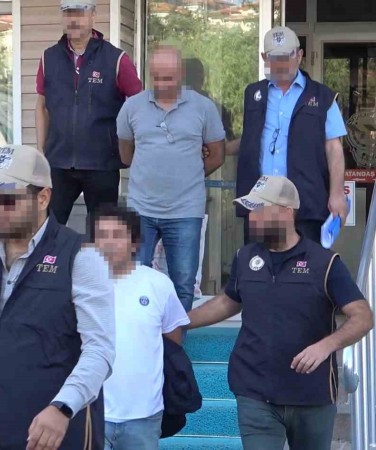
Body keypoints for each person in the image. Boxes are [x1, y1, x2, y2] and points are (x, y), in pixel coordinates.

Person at [187, 175, 374, 450]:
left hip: (312, 396)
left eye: (259, 210)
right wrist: (182, 322)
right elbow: (228, 301)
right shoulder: (244, 257)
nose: (252, 218)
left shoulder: (325, 263)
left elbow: (363, 316)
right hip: (255, 392)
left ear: (286, 212)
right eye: (251, 211)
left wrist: (326, 346)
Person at [0, 145, 115, 450]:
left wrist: (63, 407)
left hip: (52, 435)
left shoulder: (80, 256)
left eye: (7, 200)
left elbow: (100, 350)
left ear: (43, 198)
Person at [118, 45, 226, 313]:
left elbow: (217, 155)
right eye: (156, 77)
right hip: (141, 209)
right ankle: (144, 335)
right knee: (133, 281)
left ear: (181, 74)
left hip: (185, 210)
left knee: (183, 284)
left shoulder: (203, 107)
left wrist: (189, 174)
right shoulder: (131, 107)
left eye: (168, 78)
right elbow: (126, 154)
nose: (162, 84)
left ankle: (175, 338)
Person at [229, 26, 348, 244]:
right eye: (275, 58)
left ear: (299, 55)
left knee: (305, 263)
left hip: (305, 204)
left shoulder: (323, 97)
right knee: (258, 263)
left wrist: (337, 193)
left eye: (286, 57)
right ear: (264, 58)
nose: (281, 64)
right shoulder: (253, 94)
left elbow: (334, 148)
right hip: (260, 204)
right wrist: (221, 148)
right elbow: (251, 139)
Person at [35, 0, 142, 227]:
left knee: (102, 231)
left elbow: (138, 106)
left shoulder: (116, 59)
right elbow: (42, 106)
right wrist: (41, 151)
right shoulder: (48, 58)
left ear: (93, 15)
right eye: (68, 13)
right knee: (47, 228)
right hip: (58, 162)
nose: (73, 19)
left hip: (102, 163)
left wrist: (129, 148)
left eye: (80, 13)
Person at [93, 204, 190, 450]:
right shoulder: (78, 283)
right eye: (102, 235)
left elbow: (172, 340)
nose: (109, 243)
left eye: (117, 235)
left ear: (135, 242)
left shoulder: (158, 284)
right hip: (91, 413)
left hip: (144, 415)